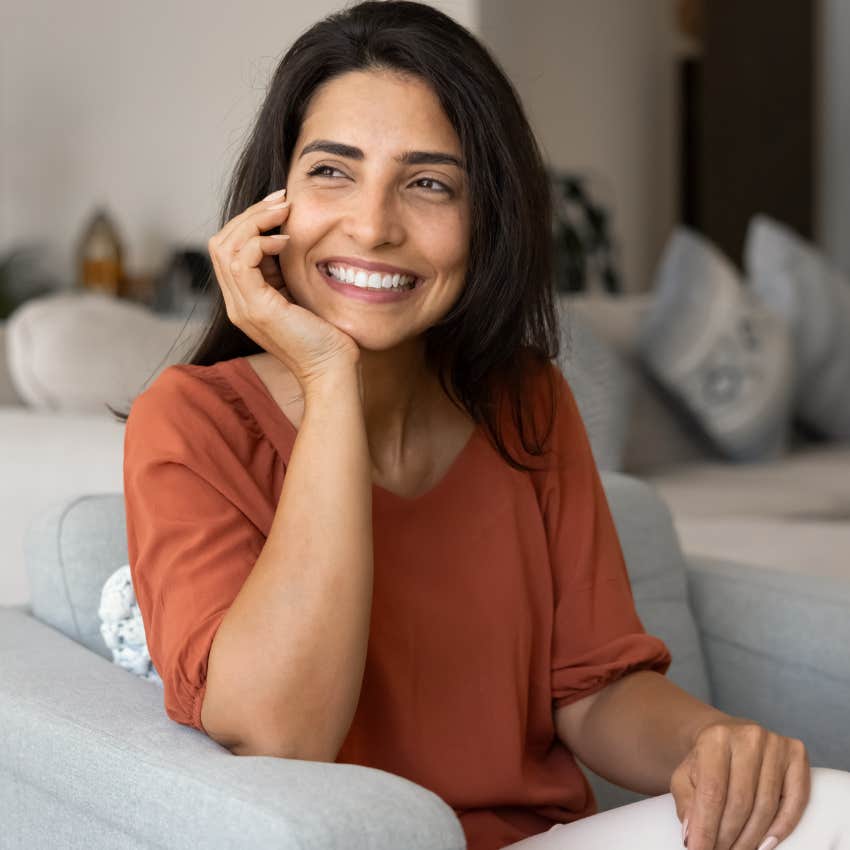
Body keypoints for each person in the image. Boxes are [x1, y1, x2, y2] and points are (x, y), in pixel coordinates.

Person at [116, 3, 850, 849]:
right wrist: (328, 379)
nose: (373, 226)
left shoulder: (524, 400)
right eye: (332, 172)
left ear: (486, 216)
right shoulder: (193, 423)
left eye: (429, 184)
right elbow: (282, 735)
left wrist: (715, 745)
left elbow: (591, 691)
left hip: (540, 839)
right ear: (271, 204)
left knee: (821, 808)